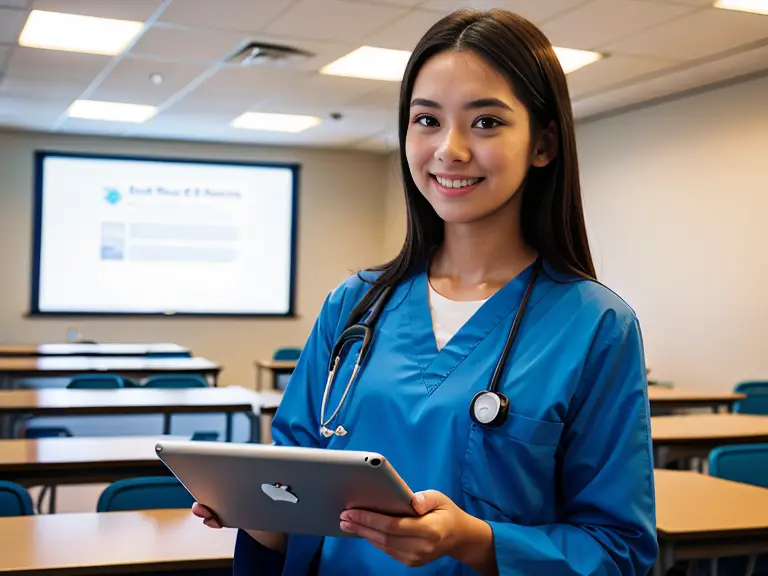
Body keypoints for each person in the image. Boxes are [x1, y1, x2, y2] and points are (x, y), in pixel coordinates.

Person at [194, 8, 658, 575]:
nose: (450, 149)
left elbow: (618, 551)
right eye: (427, 120)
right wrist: (253, 510)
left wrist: (475, 541)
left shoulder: (595, 326)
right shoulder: (355, 304)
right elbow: (290, 494)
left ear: (544, 144)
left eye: (486, 122)